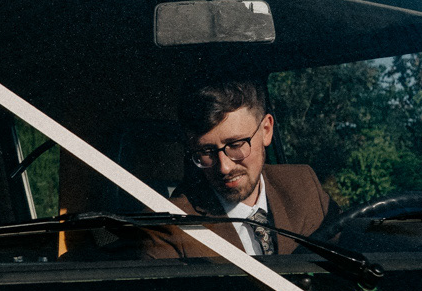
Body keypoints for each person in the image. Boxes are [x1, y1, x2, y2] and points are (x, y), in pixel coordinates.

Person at [142, 77, 331, 260]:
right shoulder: (169, 226)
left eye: (235, 145)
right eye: (206, 151)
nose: (224, 167)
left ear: (266, 130)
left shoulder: (304, 184)